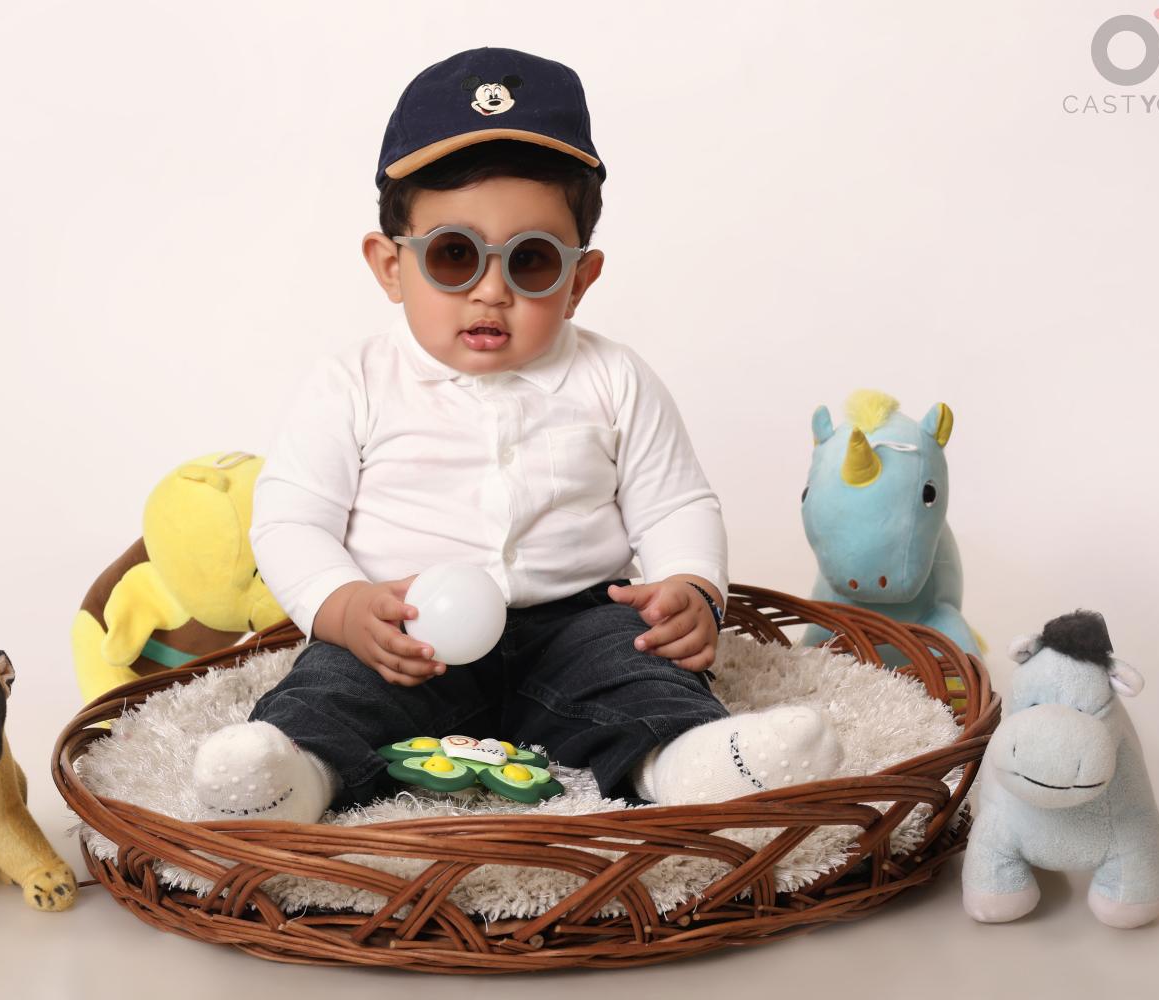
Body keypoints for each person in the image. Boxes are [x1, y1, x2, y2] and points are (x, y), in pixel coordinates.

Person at [191, 47, 842, 822]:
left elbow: (676, 504)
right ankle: (289, 777)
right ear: (390, 265)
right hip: (404, 632)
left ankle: (691, 762)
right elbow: (292, 520)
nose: (492, 290)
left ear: (579, 280)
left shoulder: (614, 377)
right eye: (454, 255)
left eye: (530, 262)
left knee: (640, 669)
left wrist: (691, 588)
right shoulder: (352, 383)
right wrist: (343, 608)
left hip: (577, 624)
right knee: (333, 686)